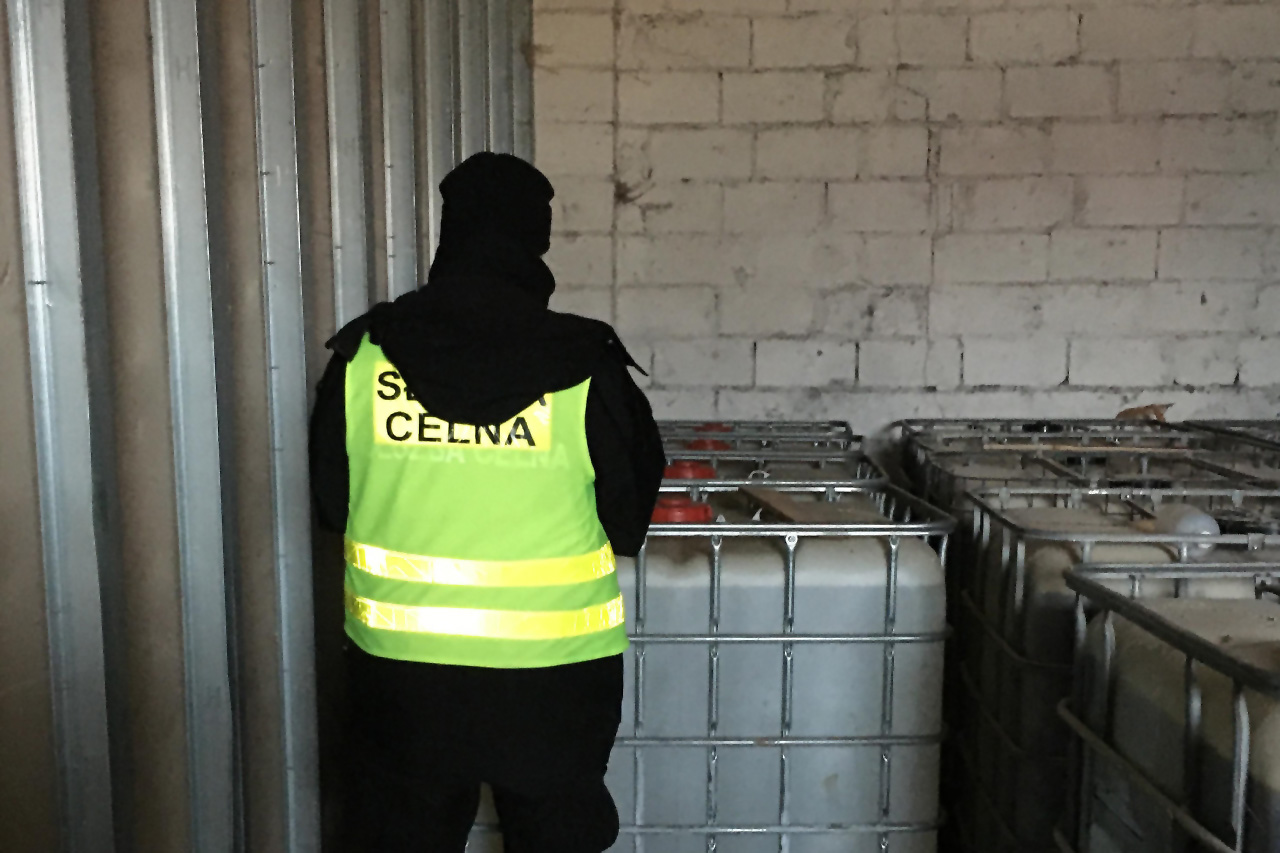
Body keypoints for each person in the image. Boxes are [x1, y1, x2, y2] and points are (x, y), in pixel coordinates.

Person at [308, 151, 665, 852]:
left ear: (451, 234)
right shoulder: (583, 364)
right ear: (536, 239)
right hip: (554, 687)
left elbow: (331, 505)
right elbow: (628, 524)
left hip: (402, 686)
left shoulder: (364, 356)